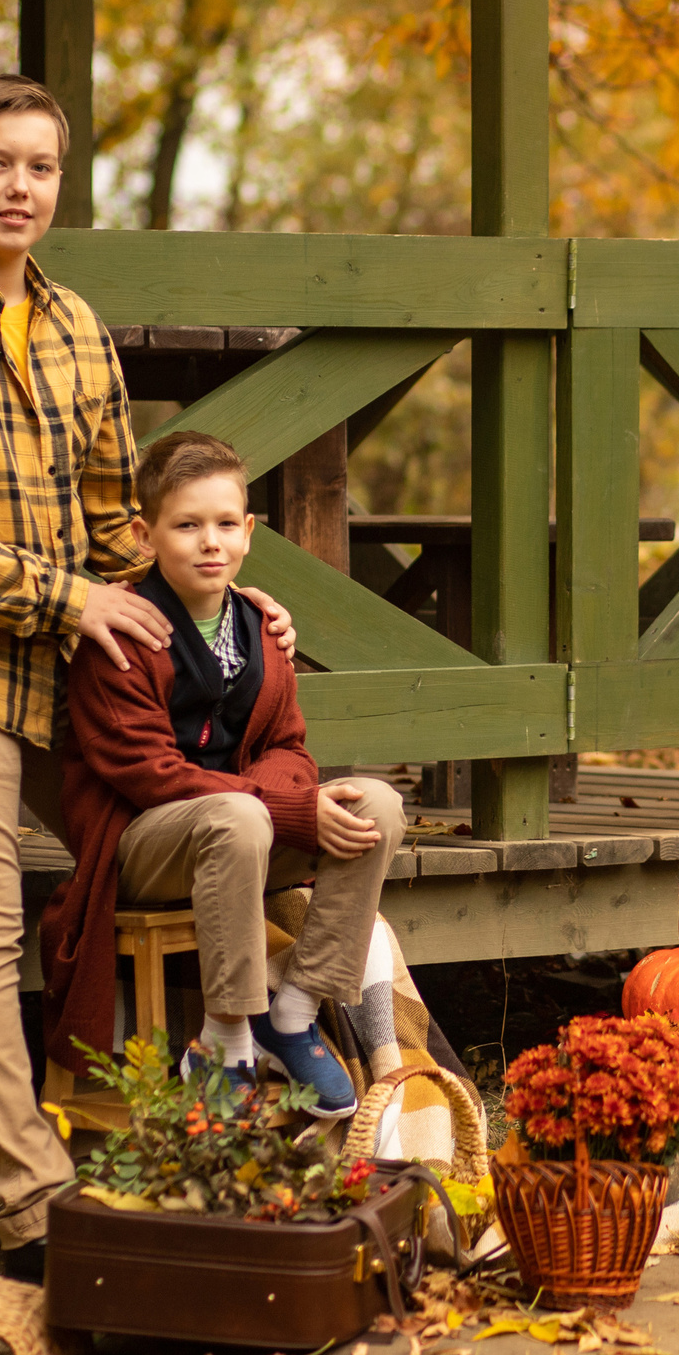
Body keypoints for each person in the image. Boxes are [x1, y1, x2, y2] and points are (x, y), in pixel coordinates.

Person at [0, 76, 296, 1281]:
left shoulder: (76, 326)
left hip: (60, 650)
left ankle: (233, 1106)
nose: (19, 188)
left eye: (39, 167)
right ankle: (33, 1208)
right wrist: (67, 600)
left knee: (205, 817)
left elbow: (107, 517)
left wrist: (218, 605)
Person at [45, 430, 404, 1120]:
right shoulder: (121, 636)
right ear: (145, 535)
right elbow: (150, 774)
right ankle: (226, 1037)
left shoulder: (260, 628)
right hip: (142, 848)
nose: (209, 542)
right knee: (239, 817)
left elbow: (290, 747)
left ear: (247, 532)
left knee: (378, 805)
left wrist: (289, 800)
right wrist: (283, 807)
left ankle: (293, 1012)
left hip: (246, 835)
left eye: (224, 525)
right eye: (186, 526)